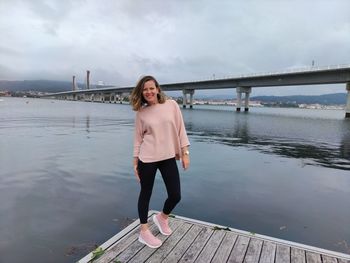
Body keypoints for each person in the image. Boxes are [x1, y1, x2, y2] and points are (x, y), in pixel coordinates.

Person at [130, 75, 190, 248]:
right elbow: (138, 139)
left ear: (157, 89)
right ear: (141, 92)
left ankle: (162, 217)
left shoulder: (171, 105)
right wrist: (135, 162)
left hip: (168, 157)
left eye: (151, 88)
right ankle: (144, 231)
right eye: (145, 89)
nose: (148, 92)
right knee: (145, 193)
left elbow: (181, 129)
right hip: (147, 158)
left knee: (175, 195)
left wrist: (185, 152)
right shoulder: (141, 113)